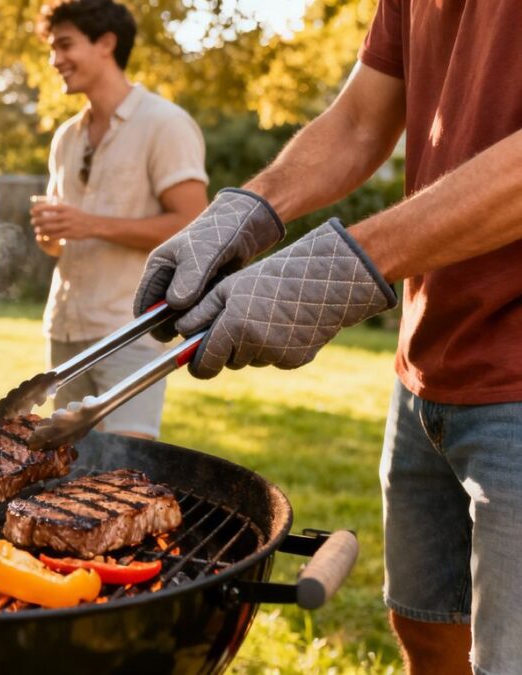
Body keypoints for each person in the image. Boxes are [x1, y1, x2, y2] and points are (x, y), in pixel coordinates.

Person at [133, 1, 522, 672]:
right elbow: (359, 119)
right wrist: (250, 209)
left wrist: (335, 270)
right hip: (429, 366)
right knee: (426, 631)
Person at [31, 0, 208, 439]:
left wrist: (89, 223)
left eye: (65, 45)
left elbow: (194, 225)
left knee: (125, 474)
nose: (55, 60)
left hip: (128, 334)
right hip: (66, 330)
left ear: (106, 43)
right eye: (52, 48)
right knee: (65, 474)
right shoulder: (65, 137)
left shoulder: (164, 124)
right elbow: (60, 240)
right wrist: (52, 235)